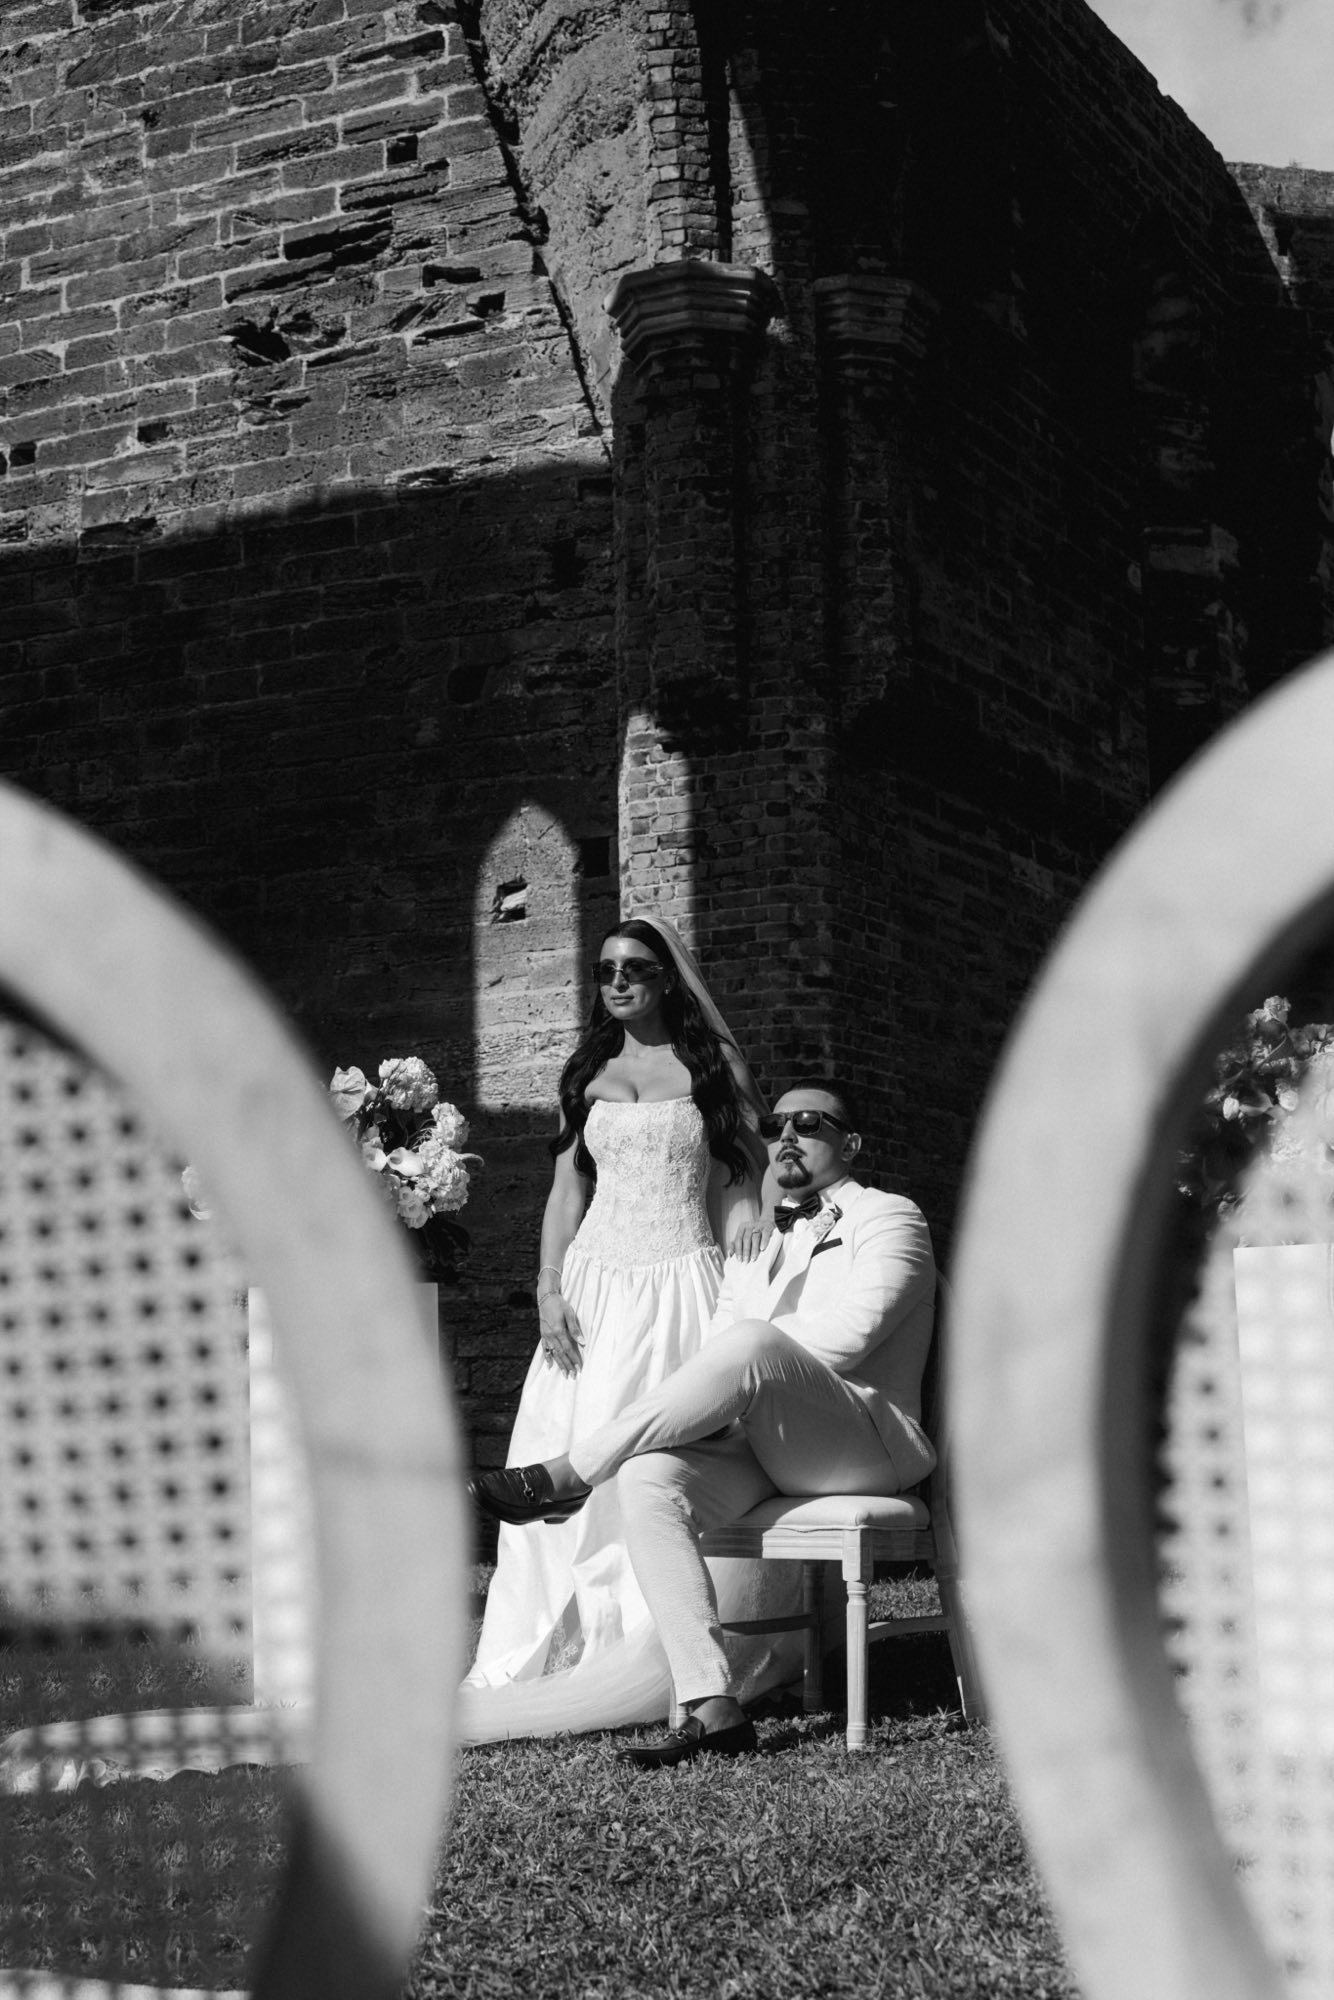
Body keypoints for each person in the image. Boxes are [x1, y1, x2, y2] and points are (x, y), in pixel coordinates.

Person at [470, 1081, 937, 1765]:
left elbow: (851, 1335)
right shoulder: (755, 1242)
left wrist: (755, 1364)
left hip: (865, 1442)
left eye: (809, 1124)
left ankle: (573, 1471)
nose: (785, 1136)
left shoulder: (891, 1217)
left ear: (851, 1144)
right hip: (775, 1441)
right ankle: (712, 1707)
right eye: (775, 1122)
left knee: (752, 1344)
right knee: (650, 1478)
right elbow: (721, 1342)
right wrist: (731, 1391)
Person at [459, 913, 797, 1742]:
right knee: (570, 1429)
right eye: (607, 969)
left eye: (636, 969)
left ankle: (660, 1648)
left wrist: (749, 1212)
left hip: (684, 1280)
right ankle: (562, 1645)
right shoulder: (588, 1072)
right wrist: (547, 1288)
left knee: (656, 1455)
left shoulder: (715, 1064)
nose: (618, 982)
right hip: (594, 1288)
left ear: (666, 978)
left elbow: (752, 1166)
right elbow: (566, 1195)